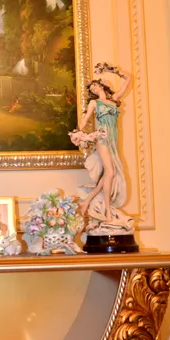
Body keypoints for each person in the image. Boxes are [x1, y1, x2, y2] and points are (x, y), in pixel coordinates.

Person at [70, 67, 131, 223]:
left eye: (95, 86)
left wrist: (110, 69)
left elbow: (127, 78)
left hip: (113, 139)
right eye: (91, 89)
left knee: (109, 173)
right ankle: (108, 211)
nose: (94, 89)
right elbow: (85, 120)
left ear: (101, 85)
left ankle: (87, 200)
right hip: (101, 138)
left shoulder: (114, 99)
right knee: (110, 172)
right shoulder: (94, 103)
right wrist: (77, 132)